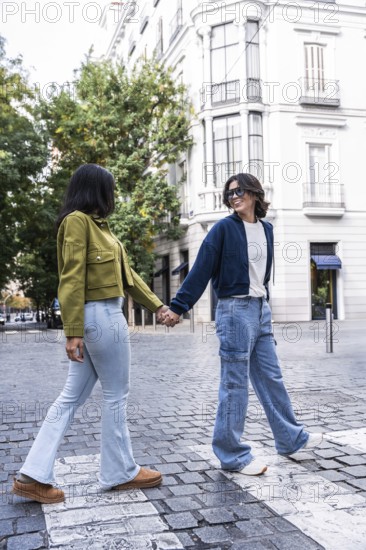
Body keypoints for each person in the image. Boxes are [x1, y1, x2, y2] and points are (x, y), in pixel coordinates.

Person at [12, 164, 167, 504]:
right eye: (110, 188)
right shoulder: (77, 222)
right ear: (98, 189)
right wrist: (72, 332)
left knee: (71, 397)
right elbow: (71, 278)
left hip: (102, 314)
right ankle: (120, 472)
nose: (113, 195)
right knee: (116, 394)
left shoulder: (105, 231)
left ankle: (32, 475)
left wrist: (158, 307)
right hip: (101, 316)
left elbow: (130, 279)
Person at [162, 173, 323, 475]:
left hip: (260, 310)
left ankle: (290, 438)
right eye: (230, 194)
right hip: (234, 311)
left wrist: (265, 306)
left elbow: (261, 275)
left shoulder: (267, 229)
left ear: (254, 194)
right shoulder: (223, 229)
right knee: (235, 385)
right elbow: (201, 268)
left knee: (271, 377)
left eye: (239, 192)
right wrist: (178, 306)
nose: (234, 197)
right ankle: (231, 454)